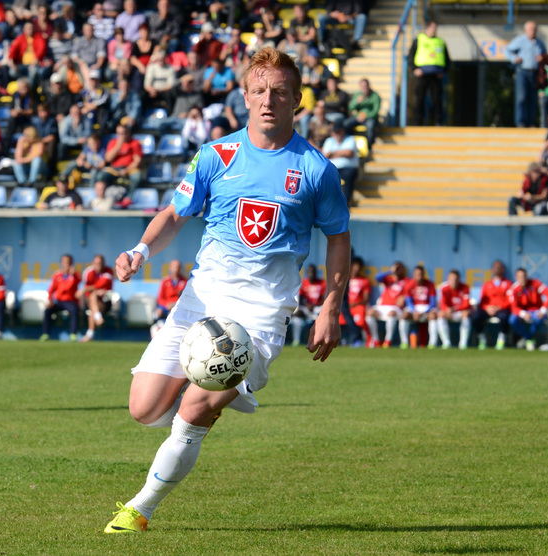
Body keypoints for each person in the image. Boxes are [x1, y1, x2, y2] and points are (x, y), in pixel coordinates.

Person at [103, 47, 350, 534]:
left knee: (193, 408)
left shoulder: (317, 169)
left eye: (280, 92)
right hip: (201, 299)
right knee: (144, 408)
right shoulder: (217, 155)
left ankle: (140, 508)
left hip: (261, 312)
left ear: (297, 99)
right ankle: (207, 406)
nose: (268, 100)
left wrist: (330, 308)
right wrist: (140, 251)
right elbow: (175, 215)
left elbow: (338, 238)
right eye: (259, 90)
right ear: (245, 96)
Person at [506, 21, 547, 128]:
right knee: (522, 97)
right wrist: (515, 58)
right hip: (522, 72)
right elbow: (507, 50)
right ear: (526, 30)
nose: (533, 31)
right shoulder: (520, 40)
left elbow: (545, 55)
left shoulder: (540, 43)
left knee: (532, 98)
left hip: (535, 74)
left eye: (535, 29)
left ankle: (530, 122)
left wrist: (542, 58)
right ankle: (520, 122)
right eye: (531, 29)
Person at [408, 20, 448, 126]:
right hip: (422, 74)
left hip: (436, 75)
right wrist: (415, 69)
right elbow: (410, 56)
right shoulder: (419, 40)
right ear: (427, 28)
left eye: (436, 28)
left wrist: (444, 71)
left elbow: (447, 59)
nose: (434, 30)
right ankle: (418, 121)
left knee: (437, 99)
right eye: (433, 28)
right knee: (419, 98)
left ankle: (438, 121)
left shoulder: (440, 42)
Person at [508, 267, 548, 351]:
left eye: (524, 276)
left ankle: (528, 339)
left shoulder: (535, 283)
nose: (522, 279)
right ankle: (528, 338)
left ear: (527, 276)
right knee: (512, 320)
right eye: (520, 277)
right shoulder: (513, 289)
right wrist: (523, 314)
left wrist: (543, 310)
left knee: (538, 318)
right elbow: (513, 307)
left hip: (536, 310)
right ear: (516, 278)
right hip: (522, 312)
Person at [365, 261, 409, 348]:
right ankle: (376, 340)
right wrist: (390, 271)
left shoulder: (406, 281)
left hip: (396, 308)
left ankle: (388, 340)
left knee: (391, 314)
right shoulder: (389, 279)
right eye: (396, 268)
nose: (397, 270)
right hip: (382, 307)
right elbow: (377, 277)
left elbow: (411, 292)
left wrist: (404, 297)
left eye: (399, 268)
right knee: (369, 313)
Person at [471, 260, 512, 350]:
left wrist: (499, 307)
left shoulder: (508, 284)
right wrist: (487, 308)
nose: (497, 269)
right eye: (495, 267)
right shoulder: (487, 284)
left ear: (503, 269)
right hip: (488, 309)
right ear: (492, 269)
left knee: (505, 317)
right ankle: (482, 339)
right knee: (476, 317)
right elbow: (482, 301)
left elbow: (510, 300)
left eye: (499, 267)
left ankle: (501, 340)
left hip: (501, 309)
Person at [40, 253, 81, 341]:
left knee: (74, 310)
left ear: (71, 264)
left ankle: (73, 334)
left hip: (70, 301)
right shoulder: (57, 275)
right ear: (61, 263)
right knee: (47, 310)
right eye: (65, 262)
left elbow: (72, 285)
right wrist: (50, 300)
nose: (67, 265)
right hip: (58, 301)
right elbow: (51, 290)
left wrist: (72, 275)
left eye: (68, 263)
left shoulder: (75, 275)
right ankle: (45, 334)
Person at [78, 254, 114, 342]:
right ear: (93, 263)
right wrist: (94, 291)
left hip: (105, 300)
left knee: (93, 310)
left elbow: (99, 285)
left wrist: (86, 289)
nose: (99, 265)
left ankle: (95, 322)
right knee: (93, 298)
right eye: (97, 263)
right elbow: (89, 290)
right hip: (91, 300)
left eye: (100, 263)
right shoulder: (88, 272)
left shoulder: (108, 272)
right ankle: (91, 331)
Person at [321, 121, 360, 202]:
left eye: (339, 131)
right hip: (332, 168)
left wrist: (333, 153)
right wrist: (341, 153)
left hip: (348, 168)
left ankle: (346, 203)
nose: (337, 133)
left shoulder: (350, 139)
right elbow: (325, 156)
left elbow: (349, 153)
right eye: (336, 131)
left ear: (343, 131)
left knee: (349, 177)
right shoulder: (329, 140)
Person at [398, 265, 436, 348]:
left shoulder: (430, 284)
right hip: (414, 308)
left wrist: (426, 311)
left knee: (433, 316)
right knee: (404, 315)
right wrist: (414, 311)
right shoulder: (409, 284)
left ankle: (432, 343)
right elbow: (408, 301)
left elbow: (433, 302)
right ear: (414, 275)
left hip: (427, 308)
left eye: (421, 274)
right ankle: (404, 342)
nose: (420, 276)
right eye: (417, 274)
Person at [291, 264, 326, 346]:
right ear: (307, 273)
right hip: (307, 308)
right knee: (297, 316)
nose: (311, 274)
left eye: (313, 272)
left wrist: (314, 306)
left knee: (323, 315)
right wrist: (307, 306)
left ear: (316, 273)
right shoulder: (304, 283)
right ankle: (296, 340)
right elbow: (300, 300)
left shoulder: (322, 283)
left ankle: (320, 340)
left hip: (317, 308)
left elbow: (324, 299)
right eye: (310, 272)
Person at [436, 269, 471, 350]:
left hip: (459, 312)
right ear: (448, 279)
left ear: (459, 279)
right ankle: (446, 342)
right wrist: (447, 309)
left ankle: (463, 343)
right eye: (451, 279)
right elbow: (443, 303)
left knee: (466, 313)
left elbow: (466, 304)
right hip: (449, 313)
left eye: (456, 279)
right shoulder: (444, 288)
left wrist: (455, 309)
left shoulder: (465, 288)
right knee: (441, 314)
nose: (454, 281)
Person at [344, 77, 380, 147]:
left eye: (365, 86)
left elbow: (375, 111)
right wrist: (356, 102)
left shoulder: (375, 96)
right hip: (358, 117)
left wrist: (365, 116)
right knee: (346, 124)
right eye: (362, 86)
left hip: (370, 118)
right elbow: (351, 107)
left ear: (369, 86)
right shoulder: (358, 95)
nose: (364, 88)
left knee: (370, 126)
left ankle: (369, 147)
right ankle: (350, 144)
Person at [343, 256, 371, 346]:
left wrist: (354, 304)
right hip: (345, 307)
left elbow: (366, 299)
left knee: (360, 316)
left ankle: (359, 339)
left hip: (357, 307)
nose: (357, 269)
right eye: (355, 266)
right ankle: (344, 340)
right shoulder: (345, 280)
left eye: (359, 267)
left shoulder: (365, 281)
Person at [153, 259, 187, 326]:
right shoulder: (165, 281)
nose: (176, 269)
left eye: (178, 267)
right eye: (174, 267)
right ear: (170, 268)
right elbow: (160, 298)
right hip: (165, 306)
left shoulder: (185, 281)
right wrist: (166, 304)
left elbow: (186, 299)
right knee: (158, 312)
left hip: (178, 306)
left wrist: (174, 304)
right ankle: (158, 326)